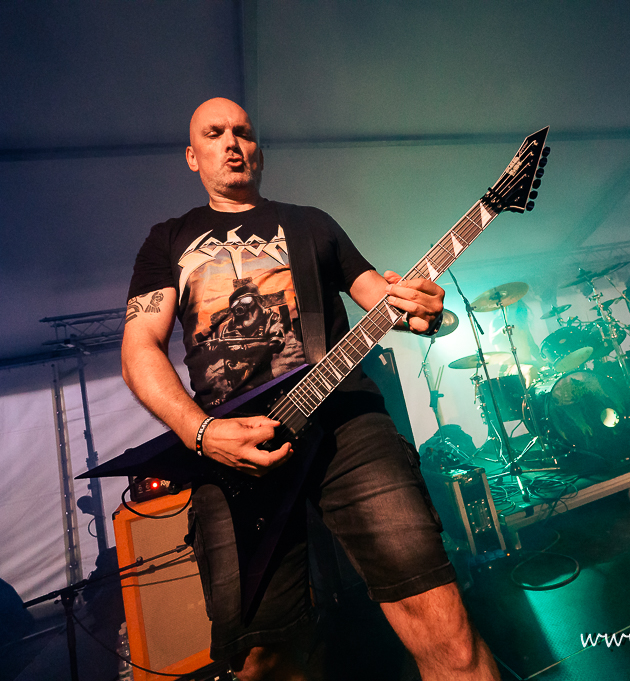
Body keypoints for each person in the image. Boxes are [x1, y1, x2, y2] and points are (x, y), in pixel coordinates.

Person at [121, 97, 500, 681]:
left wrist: (426, 313)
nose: (233, 143)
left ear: (259, 151)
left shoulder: (312, 224)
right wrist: (201, 432)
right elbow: (139, 349)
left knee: (443, 629)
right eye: (215, 133)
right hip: (231, 449)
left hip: (347, 424)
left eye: (244, 132)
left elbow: (382, 299)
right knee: (263, 663)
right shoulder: (167, 239)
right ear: (192, 156)